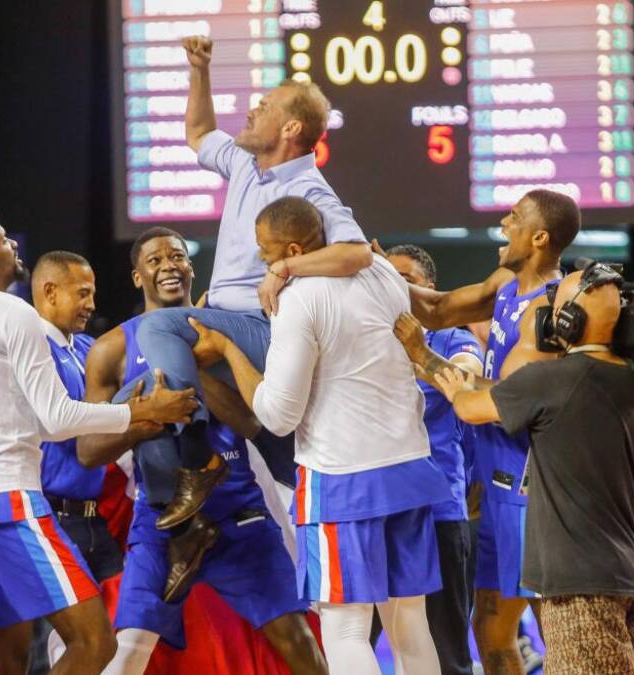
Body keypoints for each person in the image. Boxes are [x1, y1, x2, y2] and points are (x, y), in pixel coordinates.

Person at [0, 198, 198, 675]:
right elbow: (55, 419)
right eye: (1, 238)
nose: (11, 244)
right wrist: (143, 411)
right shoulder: (14, 312)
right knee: (96, 643)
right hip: (10, 498)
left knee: (5, 663)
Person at [192, 197, 449, 674]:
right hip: (409, 468)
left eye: (265, 253)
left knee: (346, 629)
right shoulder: (383, 273)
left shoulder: (300, 298)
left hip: (342, 478)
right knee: (410, 624)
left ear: (292, 248)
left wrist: (229, 350)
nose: (263, 263)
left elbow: (278, 415)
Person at [124, 35, 373, 528]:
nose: (253, 110)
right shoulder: (244, 161)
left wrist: (283, 268)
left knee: (155, 330)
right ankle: (267, 477)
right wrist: (199, 70)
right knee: (134, 398)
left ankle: (198, 464)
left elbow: (357, 252)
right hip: (227, 318)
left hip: (264, 326)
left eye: (265, 106)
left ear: (292, 127)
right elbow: (198, 132)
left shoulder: (307, 188)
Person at [75, 226, 324, 675]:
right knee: (129, 646)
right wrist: (150, 413)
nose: (169, 265)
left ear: (191, 268)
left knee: (296, 637)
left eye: (177, 256)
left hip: (237, 509)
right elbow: (89, 450)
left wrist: (191, 370)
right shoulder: (111, 348)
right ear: (137, 277)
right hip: (163, 516)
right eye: (155, 260)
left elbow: (250, 423)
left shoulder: (223, 332)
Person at [429, 268, 634, 675]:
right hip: (623, 577)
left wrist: (427, 359)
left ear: (570, 320)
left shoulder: (551, 381)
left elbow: (468, 407)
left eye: (555, 306)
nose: (547, 314)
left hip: (579, 587)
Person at [401, 188, 581, 674]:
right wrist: (374, 275)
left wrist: (423, 357)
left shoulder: (546, 311)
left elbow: (502, 402)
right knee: (490, 629)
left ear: (540, 237)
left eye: (515, 217)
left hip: (532, 492)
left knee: (556, 630)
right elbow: (436, 309)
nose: (504, 222)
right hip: (496, 480)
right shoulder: (505, 280)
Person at [384, 244, 483, 675]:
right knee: (379, 641)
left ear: (430, 290)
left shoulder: (454, 337)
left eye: (408, 279)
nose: (398, 288)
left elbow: (467, 381)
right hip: (380, 512)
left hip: (440, 513)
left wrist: (418, 352)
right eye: (389, 278)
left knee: (448, 651)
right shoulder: (366, 341)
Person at [29, 251, 129, 591]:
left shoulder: (89, 348)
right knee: (62, 640)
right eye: (82, 293)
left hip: (92, 519)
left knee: (114, 633)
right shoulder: (29, 349)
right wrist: (138, 413)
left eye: (93, 293)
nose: (91, 304)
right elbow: (57, 421)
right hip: (49, 518)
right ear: (50, 291)